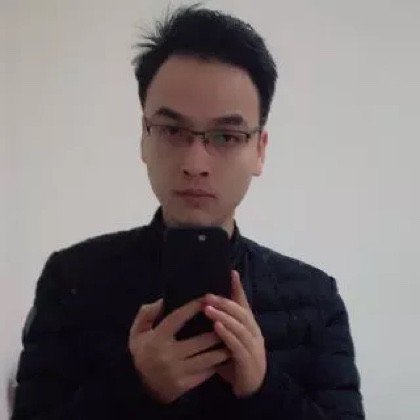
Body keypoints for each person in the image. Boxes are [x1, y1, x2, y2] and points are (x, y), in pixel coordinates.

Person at [11, 5, 364, 420]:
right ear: (144, 138)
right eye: (172, 130)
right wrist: (136, 387)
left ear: (259, 150)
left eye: (226, 136)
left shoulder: (316, 299)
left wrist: (264, 388)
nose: (195, 163)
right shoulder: (71, 280)